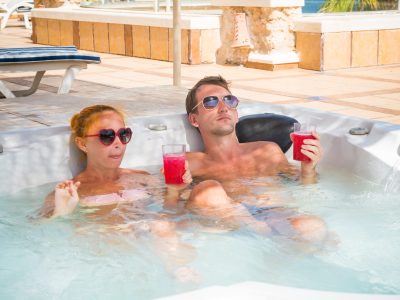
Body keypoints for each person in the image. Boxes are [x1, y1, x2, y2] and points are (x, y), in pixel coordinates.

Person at [39, 104, 197, 282]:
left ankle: (180, 273)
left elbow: (174, 214)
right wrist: (61, 214)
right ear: (82, 144)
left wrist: (174, 192)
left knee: (161, 224)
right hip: (106, 259)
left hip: (155, 252)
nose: (117, 144)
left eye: (123, 135)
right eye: (106, 136)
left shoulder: (143, 179)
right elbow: (39, 230)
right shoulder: (72, 191)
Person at [184, 75, 328, 246]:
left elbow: (304, 189)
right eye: (210, 102)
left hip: (276, 215)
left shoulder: (268, 150)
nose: (223, 108)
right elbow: (169, 205)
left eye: (229, 100)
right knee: (209, 191)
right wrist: (174, 189)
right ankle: (267, 235)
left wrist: (308, 169)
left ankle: (272, 240)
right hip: (228, 221)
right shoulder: (189, 162)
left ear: (236, 114)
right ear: (194, 119)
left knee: (312, 227)